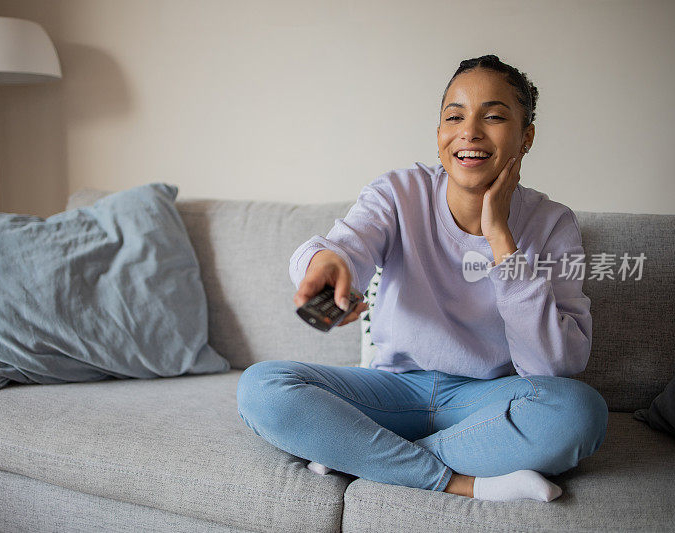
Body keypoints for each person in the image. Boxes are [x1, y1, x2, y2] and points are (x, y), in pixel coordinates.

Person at [236, 54, 608, 502]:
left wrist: (500, 241)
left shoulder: (553, 223)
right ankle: (462, 483)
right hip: (392, 391)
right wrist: (328, 264)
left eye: (493, 116)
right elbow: (347, 249)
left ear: (526, 137)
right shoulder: (399, 192)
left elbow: (555, 368)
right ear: (439, 136)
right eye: (454, 116)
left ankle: (361, 457)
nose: (469, 131)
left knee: (579, 413)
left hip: (486, 403)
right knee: (263, 388)